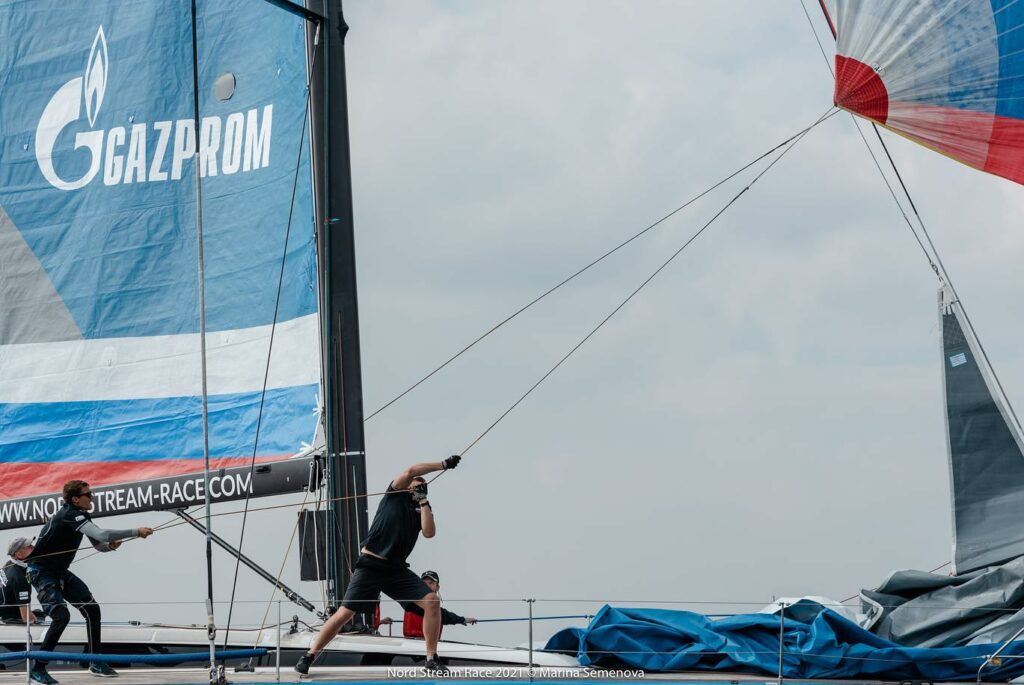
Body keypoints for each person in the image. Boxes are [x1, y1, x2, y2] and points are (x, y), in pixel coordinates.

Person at [294, 456, 461, 675]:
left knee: (432, 601)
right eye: (416, 485)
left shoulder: (421, 510)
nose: (418, 486)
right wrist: (442, 465)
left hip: (395, 570)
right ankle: (309, 655)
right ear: (407, 486)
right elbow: (411, 469)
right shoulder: (394, 494)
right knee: (345, 613)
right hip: (371, 565)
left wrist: (423, 501)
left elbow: (429, 533)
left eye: (422, 486)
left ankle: (431, 658)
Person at [26, 481, 154, 684]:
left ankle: (95, 662)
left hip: (59, 571)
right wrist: (135, 531)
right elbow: (102, 534)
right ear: (75, 499)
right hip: (42, 572)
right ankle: (38, 668)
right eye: (88, 494)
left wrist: (110, 547)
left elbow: (99, 544)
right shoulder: (70, 514)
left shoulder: (81, 516)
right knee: (61, 616)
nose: (92, 497)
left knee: (92, 609)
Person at [1, 537, 37, 624]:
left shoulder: (9, 565)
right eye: (28, 547)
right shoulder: (20, 578)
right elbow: (26, 618)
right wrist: (36, 620)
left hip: (4, 614)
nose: (33, 547)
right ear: (19, 554)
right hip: (12, 620)